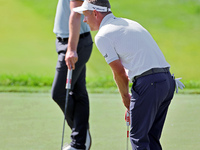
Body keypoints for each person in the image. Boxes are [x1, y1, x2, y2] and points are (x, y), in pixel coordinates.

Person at [73, 0, 184, 149]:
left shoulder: (102, 35)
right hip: (167, 82)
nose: (84, 20)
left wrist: (126, 99)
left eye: (85, 15)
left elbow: (119, 73)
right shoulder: (129, 23)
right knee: (151, 138)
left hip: (150, 84)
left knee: (138, 138)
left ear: (95, 12)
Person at [52, 0, 93, 149]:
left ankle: (80, 137)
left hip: (74, 44)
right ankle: (80, 140)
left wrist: (71, 49)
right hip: (70, 42)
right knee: (79, 91)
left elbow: (76, 13)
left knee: (58, 93)